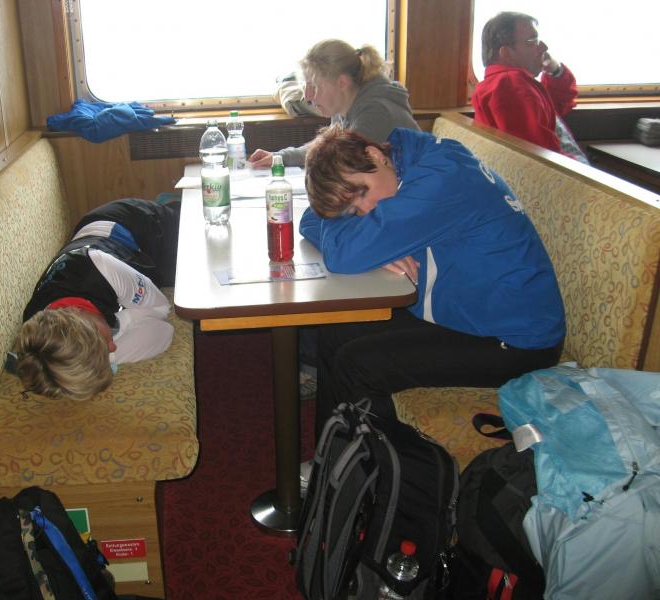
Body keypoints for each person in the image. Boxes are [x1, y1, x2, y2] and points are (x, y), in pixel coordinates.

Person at [300, 125, 566, 436]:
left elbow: (340, 254)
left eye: (362, 193)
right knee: (335, 331)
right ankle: (331, 456)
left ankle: (378, 464)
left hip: (516, 340)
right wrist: (373, 245)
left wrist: (363, 241)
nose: (367, 210)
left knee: (358, 365)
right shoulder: (407, 160)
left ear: (373, 154)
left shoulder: (440, 180)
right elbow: (310, 220)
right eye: (353, 210)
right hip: (467, 315)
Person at [14, 198, 181, 401]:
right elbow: (161, 330)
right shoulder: (39, 333)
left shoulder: (100, 270)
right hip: (115, 260)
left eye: (105, 344)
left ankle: (168, 204)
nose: (113, 348)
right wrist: (101, 357)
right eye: (109, 351)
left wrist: (120, 326)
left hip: (135, 224)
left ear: (80, 313)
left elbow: (162, 310)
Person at [248, 39, 419, 169]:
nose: (307, 97)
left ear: (342, 83)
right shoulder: (344, 106)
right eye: (305, 87)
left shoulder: (375, 113)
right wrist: (279, 157)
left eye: (314, 87)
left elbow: (339, 164)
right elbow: (323, 149)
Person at [472, 11, 589, 163]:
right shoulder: (510, 85)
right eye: (532, 41)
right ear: (506, 53)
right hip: (565, 172)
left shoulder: (506, 85)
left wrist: (555, 71)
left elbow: (554, 108)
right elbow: (541, 156)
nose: (544, 47)